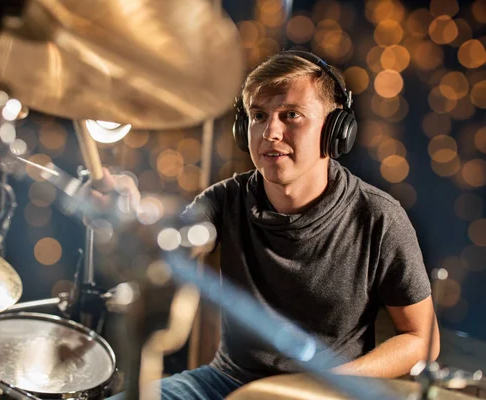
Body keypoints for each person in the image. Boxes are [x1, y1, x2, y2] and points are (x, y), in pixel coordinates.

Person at [97, 49, 439, 400]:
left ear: (335, 131)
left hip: (327, 393)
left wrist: (329, 383)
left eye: (291, 115)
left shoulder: (379, 217)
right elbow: (170, 238)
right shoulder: (226, 199)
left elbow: (420, 338)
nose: (271, 132)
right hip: (225, 384)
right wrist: (132, 213)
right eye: (258, 116)